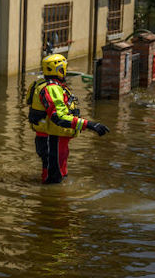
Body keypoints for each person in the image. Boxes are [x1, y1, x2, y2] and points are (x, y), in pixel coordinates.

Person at [27, 54, 109, 184]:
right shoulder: (52, 89)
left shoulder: (52, 86)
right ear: (59, 70)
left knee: (59, 176)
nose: (65, 72)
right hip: (53, 140)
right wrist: (89, 125)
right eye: (63, 69)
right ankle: (50, 202)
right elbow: (59, 117)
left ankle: (57, 201)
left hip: (56, 140)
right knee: (52, 181)